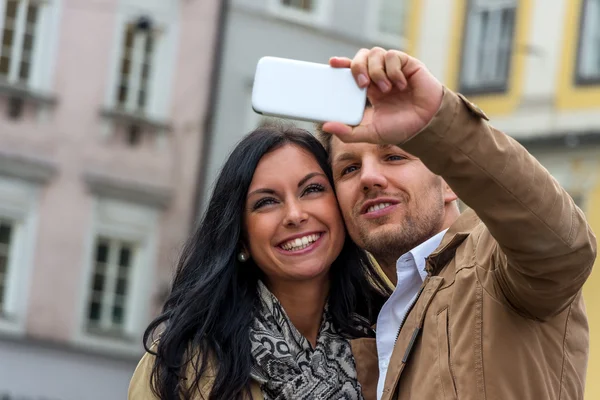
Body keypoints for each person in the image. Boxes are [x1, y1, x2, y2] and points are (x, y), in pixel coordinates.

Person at [316, 47, 597, 400]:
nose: (369, 177)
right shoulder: (366, 326)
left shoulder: (495, 264)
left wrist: (440, 120)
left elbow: (563, 246)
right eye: (349, 168)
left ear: (450, 180)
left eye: (394, 156)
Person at [128, 124, 392, 400]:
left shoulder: (391, 337)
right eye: (266, 202)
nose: (294, 214)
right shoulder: (182, 363)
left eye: (312, 189)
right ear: (240, 237)